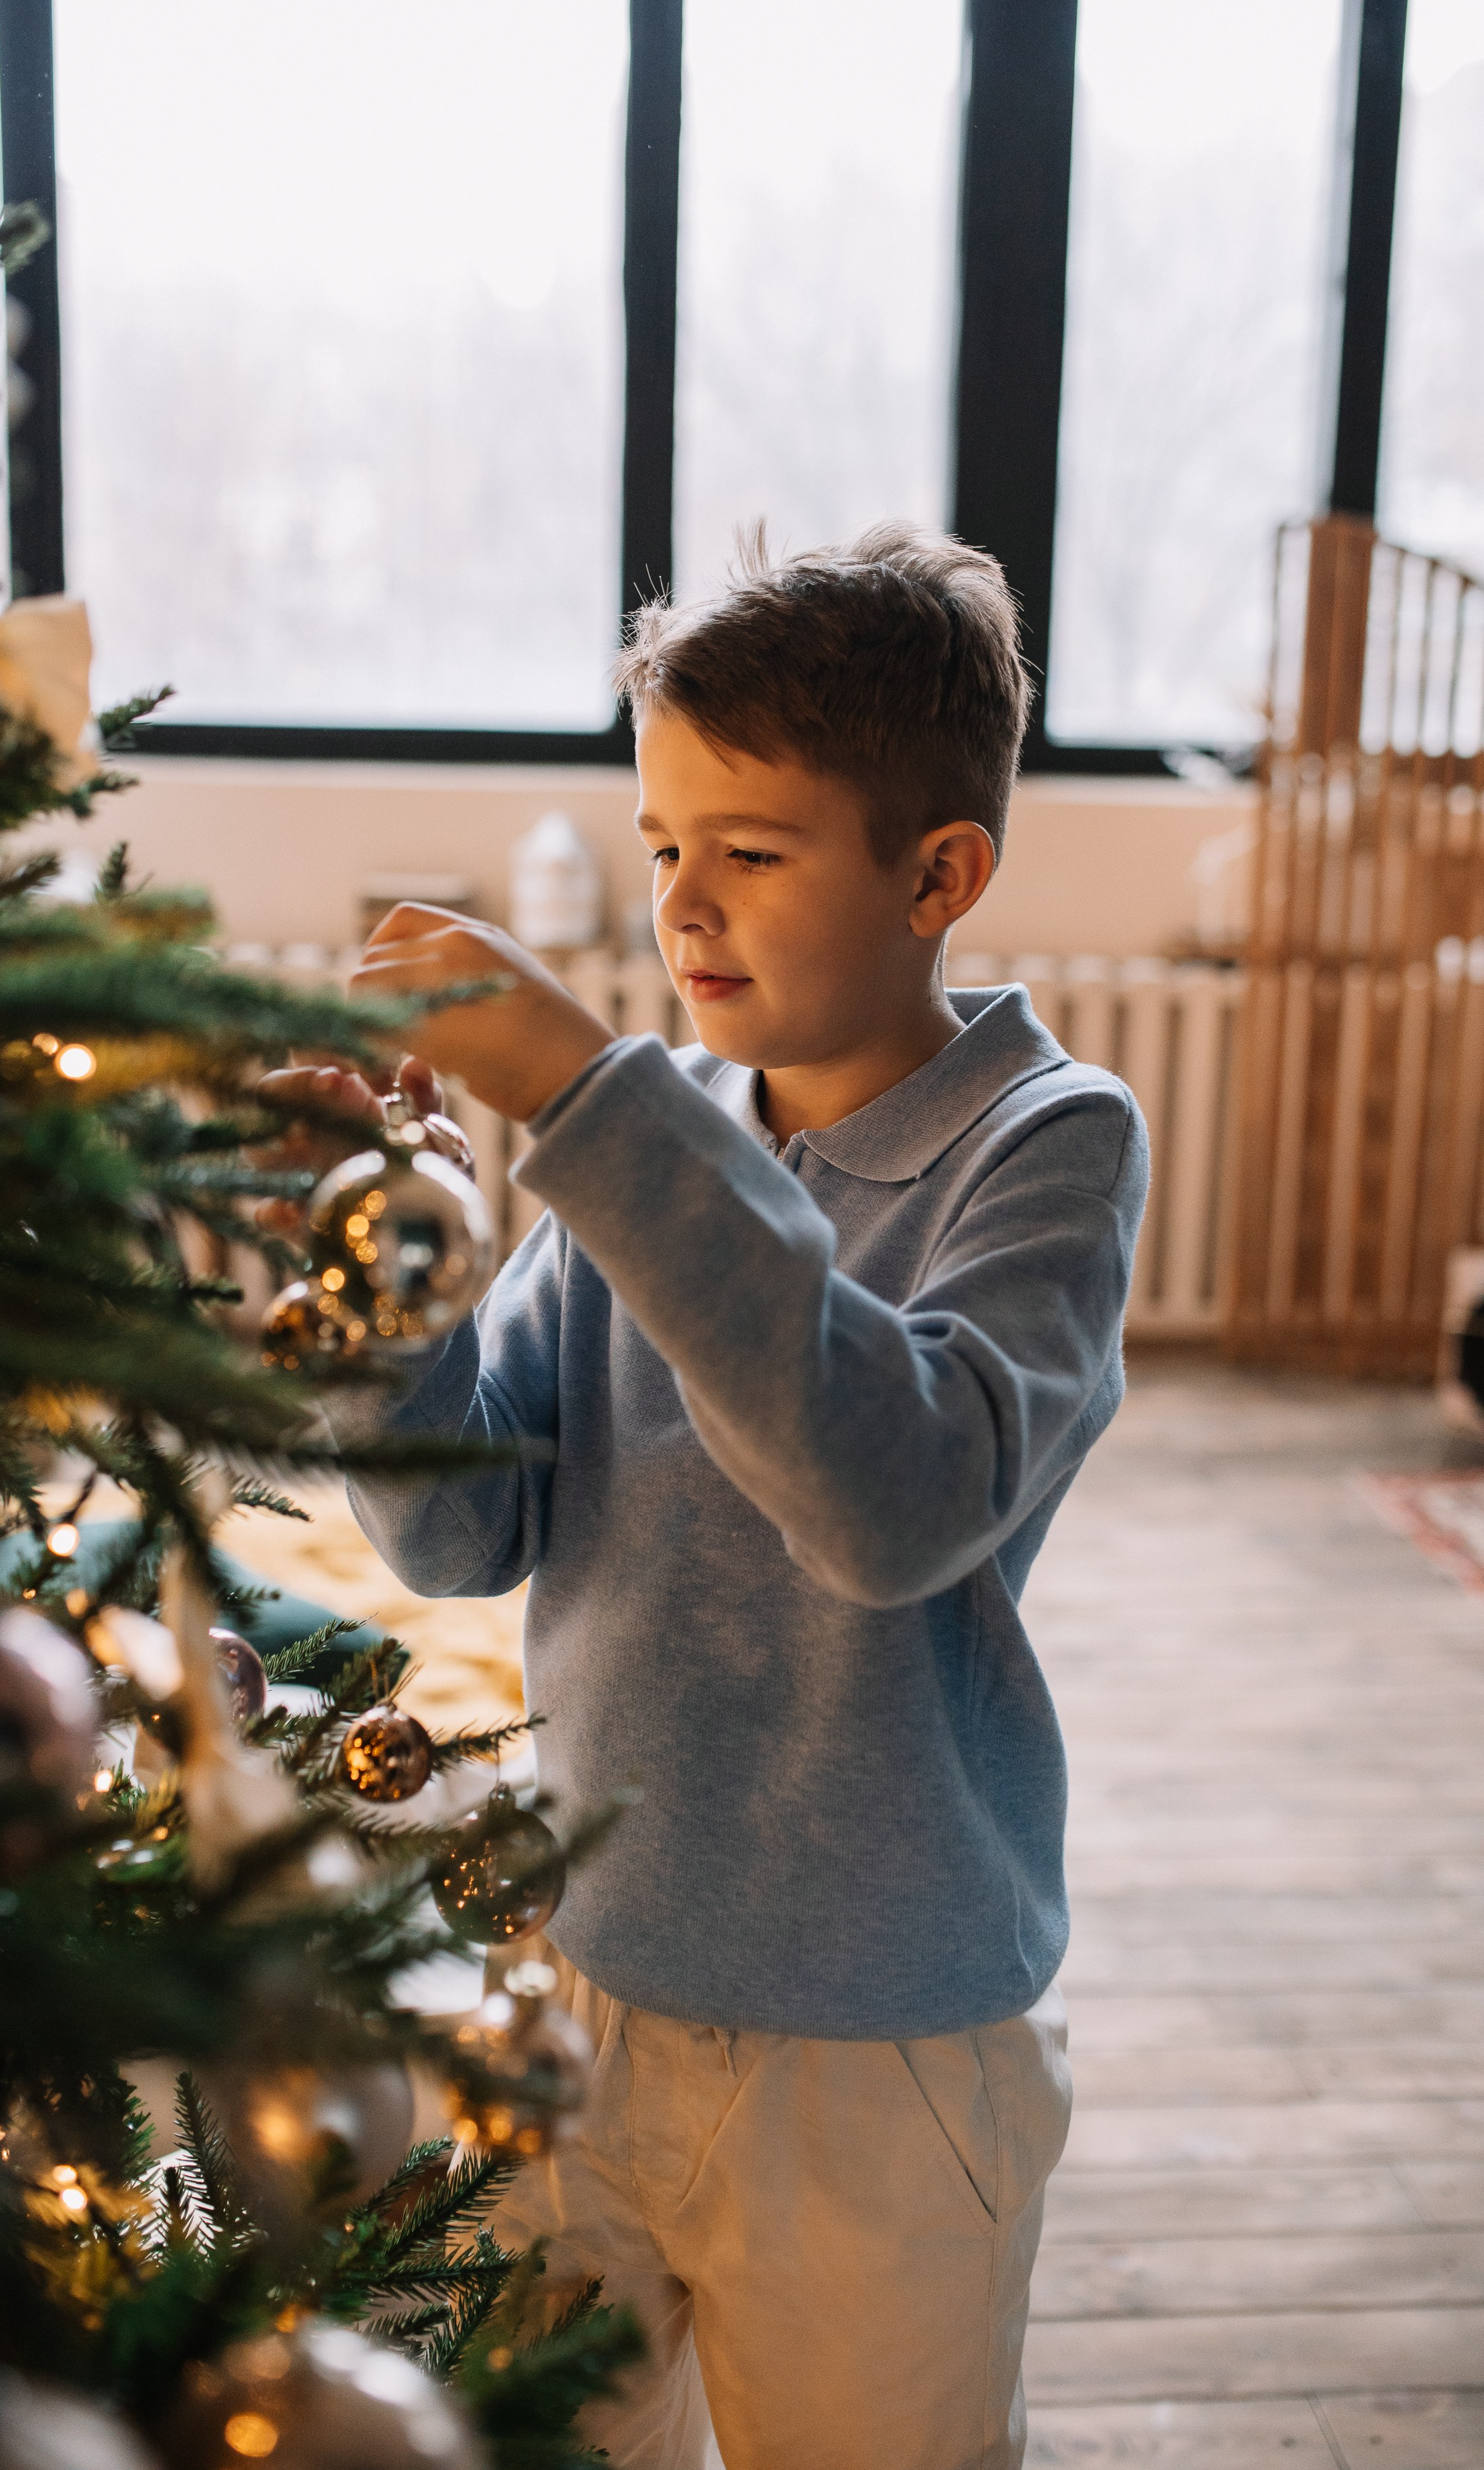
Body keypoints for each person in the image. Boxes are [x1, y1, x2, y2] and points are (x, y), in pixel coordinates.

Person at [262, 525, 1148, 2470]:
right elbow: (458, 1531)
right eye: (662, 841)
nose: (680, 902)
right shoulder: (650, 1142)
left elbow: (893, 1504)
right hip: (576, 1986)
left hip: (882, 2052)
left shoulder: (1047, 1145)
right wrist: (370, 1284)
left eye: (747, 849)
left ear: (939, 876)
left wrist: (593, 1107)